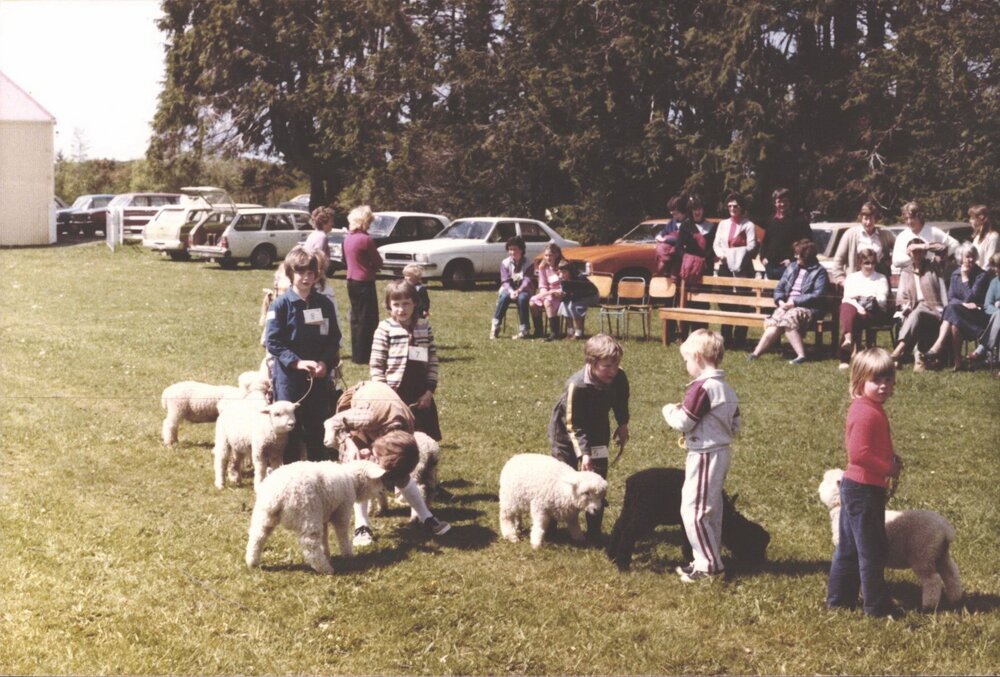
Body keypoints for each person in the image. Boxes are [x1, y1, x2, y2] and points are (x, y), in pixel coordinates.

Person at [826, 347, 904, 618]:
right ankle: (876, 606)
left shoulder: (869, 408)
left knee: (849, 548)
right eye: (876, 380)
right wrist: (888, 467)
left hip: (857, 487)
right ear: (859, 381)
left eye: (888, 379)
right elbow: (858, 454)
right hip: (864, 489)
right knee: (872, 551)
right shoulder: (866, 412)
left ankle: (839, 600)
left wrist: (889, 457)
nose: (883, 386)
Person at [324, 380, 450, 545]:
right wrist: (349, 442)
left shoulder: (406, 426)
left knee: (400, 469)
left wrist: (385, 464)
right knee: (360, 467)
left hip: (382, 419)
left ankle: (426, 516)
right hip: (361, 406)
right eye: (377, 454)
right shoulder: (367, 416)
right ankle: (362, 525)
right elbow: (332, 422)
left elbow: (396, 461)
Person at [662, 329, 741, 582]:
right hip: (719, 452)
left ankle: (709, 567)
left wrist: (668, 410)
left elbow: (684, 422)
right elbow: (736, 424)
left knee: (694, 510)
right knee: (711, 509)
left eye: (686, 359)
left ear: (697, 357)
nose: (686, 365)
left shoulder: (702, 388)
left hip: (705, 454)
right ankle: (705, 558)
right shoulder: (726, 388)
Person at [549, 334, 630, 545]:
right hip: (566, 434)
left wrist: (623, 424)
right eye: (607, 366)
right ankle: (550, 526)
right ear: (591, 363)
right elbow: (573, 424)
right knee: (563, 477)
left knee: (597, 478)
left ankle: (594, 532)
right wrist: (583, 454)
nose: (613, 370)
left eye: (616, 365)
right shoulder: (577, 385)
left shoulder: (618, 378)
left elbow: (621, 401)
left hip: (598, 428)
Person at [265, 246, 342, 464]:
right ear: (290, 274)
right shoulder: (280, 305)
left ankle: (318, 474)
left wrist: (325, 362)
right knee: (291, 433)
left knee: (318, 429)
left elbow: (334, 339)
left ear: (317, 275)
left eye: (310, 273)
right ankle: (292, 476)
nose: (306, 278)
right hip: (289, 380)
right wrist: (296, 362)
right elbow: (273, 342)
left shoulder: (324, 304)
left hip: (318, 379)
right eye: (300, 273)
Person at [370, 279, 441, 441]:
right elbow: (376, 364)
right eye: (396, 304)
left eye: (406, 303)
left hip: (420, 390)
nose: (401, 309)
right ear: (389, 305)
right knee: (397, 438)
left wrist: (429, 391)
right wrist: (385, 394)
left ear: (415, 303)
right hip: (395, 391)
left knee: (425, 438)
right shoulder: (385, 328)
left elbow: (432, 359)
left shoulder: (424, 326)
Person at [748, 239, 829, 364]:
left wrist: (795, 302)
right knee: (774, 322)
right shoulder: (792, 267)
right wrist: (780, 301)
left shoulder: (819, 271)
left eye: (798, 254)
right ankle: (755, 354)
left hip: (808, 308)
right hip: (787, 305)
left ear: (806, 256)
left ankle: (801, 355)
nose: (795, 256)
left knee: (789, 318)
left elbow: (818, 295)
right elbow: (779, 288)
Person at [923, 243, 992, 371]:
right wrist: (962, 304)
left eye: (973, 256)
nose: (970, 259)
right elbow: (951, 298)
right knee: (954, 321)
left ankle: (938, 346)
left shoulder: (981, 275)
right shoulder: (955, 274)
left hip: (977, 316)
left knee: (951, 310)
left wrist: (965, 278)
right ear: (961, 258)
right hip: (959, 314)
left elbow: (971, 298)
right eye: (967, 256)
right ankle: (958, 363)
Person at [888, 238, 947, 371]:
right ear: (909, 253)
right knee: (916, 314)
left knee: (919, 311)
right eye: (914, 252)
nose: (917, 255)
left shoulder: (934, 266)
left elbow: (943, 249)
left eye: (920, 251)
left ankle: (899, 351)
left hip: (935, 312)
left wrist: (923, 245)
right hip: (915, 313)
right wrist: (905, 306)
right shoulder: (906, 272)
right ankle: (918, 360)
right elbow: (901, 297)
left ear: (925, 252)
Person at [712, 192, 758, 347]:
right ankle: (726, 336)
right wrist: (722, 255)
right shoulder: (723, 224)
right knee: (726, 301)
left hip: (743, 266)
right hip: (725, 265)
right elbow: (717, 244)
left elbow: (752, 246)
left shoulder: (748, 225)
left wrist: (736, 253)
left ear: (741, 207)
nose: (732, 209)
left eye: (735, 206)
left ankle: (740, 338)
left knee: (742, 302)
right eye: (730, 206)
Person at [837, 249, 891, 370]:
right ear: (860, 263)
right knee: (847, 308)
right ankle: (848, 340)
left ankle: (845, 356)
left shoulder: (881, 278)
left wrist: (860, 297)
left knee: (852, 315)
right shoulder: (852, 277)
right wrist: (859, 306)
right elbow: (847, 298)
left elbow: (882, 299)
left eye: (873, 263)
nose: (870, 266)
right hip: (856, 311)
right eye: (866, 263)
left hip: (875, 311)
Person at [343, 205, 382, 364]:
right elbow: (378, 262)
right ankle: (366, 354)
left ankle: (357, 354)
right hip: (365, 281)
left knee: (356, 318)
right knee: (368, 319)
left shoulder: (348, 238)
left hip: (351, 280)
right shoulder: (366, 239)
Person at [831, 201, 896, 285]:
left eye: (871, 219)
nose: (868, 222)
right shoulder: (850, 234)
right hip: (856, 282)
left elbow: (900, 247)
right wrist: (841, 279)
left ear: (875, 219)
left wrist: (891, 260)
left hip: (879, 281)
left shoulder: (885, 235)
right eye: (865, 219)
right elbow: (838, 260)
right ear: (861, 218)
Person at [759, 188, 814, 281]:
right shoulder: (771, 220)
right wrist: (763, 257)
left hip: (790, 266)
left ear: (790, 202)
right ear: (774, 203)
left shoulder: (800, 220)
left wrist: (793, 260)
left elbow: (807, 243)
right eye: (779, 201)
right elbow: (765, 241)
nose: (782, 204)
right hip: (771, 266)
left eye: (785, 201)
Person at [890, 201, 959, 273]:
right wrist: (916, 258)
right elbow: (896, 261)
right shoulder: (902, 236)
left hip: (932, 273)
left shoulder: (932, 231)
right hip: (909, 275)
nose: (909, 221)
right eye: (906, 218)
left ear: (920, 216)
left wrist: (940, 257)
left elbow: (954, 244)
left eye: (912, 218)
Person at [491, 235, 535, 339]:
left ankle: (524, 330)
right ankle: (495, 326)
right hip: (509, 288)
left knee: (523, 298)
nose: (512, 252)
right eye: (510, 249)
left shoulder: (529, 263)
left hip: (524, 289)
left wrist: (518, 291)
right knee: (504, 296)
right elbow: (505, 281)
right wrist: (511, 291)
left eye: (515, 249)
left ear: (521, 250)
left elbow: (527, 280)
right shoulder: (505, 263)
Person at [967, 253, 1000, 365]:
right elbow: (987, 306)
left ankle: (982, 349)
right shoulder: (994, 282)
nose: (994, 269)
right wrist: (998, 312)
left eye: (997, 266)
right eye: (994, 266)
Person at [556, 259, 600, 340]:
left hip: (591, 296)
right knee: (564, 304)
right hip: (576, 296)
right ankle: (570, 331)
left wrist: (568, 296)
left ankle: (578, 333)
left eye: (564, 272)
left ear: (570, 271)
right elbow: (567, 294)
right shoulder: (563, 280)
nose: (561, 275)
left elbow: (579, 294)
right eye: (560, 272)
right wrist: (562, 295)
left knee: (574, 305)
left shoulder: (580, 278)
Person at [530, 243, 565, 340]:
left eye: (550, 255)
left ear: (556, 255)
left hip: (561, 293)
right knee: (532, 302)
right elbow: (543, 285)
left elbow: (566, 283)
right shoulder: (543, 267)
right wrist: (545, 293)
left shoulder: (562, 266)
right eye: (546, 255)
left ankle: (554, 332)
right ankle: (539, 330)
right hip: (548, 292)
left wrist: (556, 292)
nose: (548, 258)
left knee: (547, 301)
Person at [654, 195, 686, 278]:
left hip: (682, 260)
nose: (673, 215)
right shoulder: (672, 222)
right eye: (672, 213)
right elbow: (662, 233)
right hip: (669, 260)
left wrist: (666, 240)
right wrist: (659, 237)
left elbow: (684, 239)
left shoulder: (689, 223)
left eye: (676, 213)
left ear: (682, 210)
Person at [968, 205, 997, 270]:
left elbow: (989, 264)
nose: (970, 221)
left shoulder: (993, 237)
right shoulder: (977, 237)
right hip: (975, 274)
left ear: (981, 218)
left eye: (972, 218)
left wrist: (980, 275)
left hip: (985, 275)